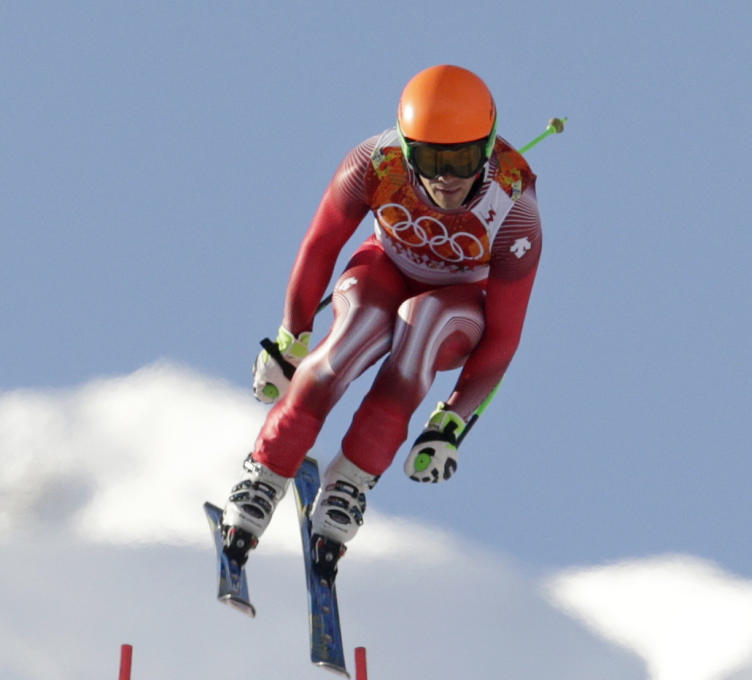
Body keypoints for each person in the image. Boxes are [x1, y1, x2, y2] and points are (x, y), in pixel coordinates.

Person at [220, 64, 542, 581]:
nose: (447, 178)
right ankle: (264, 474)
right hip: (383, 271)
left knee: (424, 323)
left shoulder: (515, 206)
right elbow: (322, 244)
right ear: (408, 149)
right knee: (354, 333)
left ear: (485, 150)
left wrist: (452, 421)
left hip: (454, 306)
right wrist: (291, 339)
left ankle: (349, 483)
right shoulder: (375, 162)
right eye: (432, 158)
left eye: (461, 158)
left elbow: (505, 334)